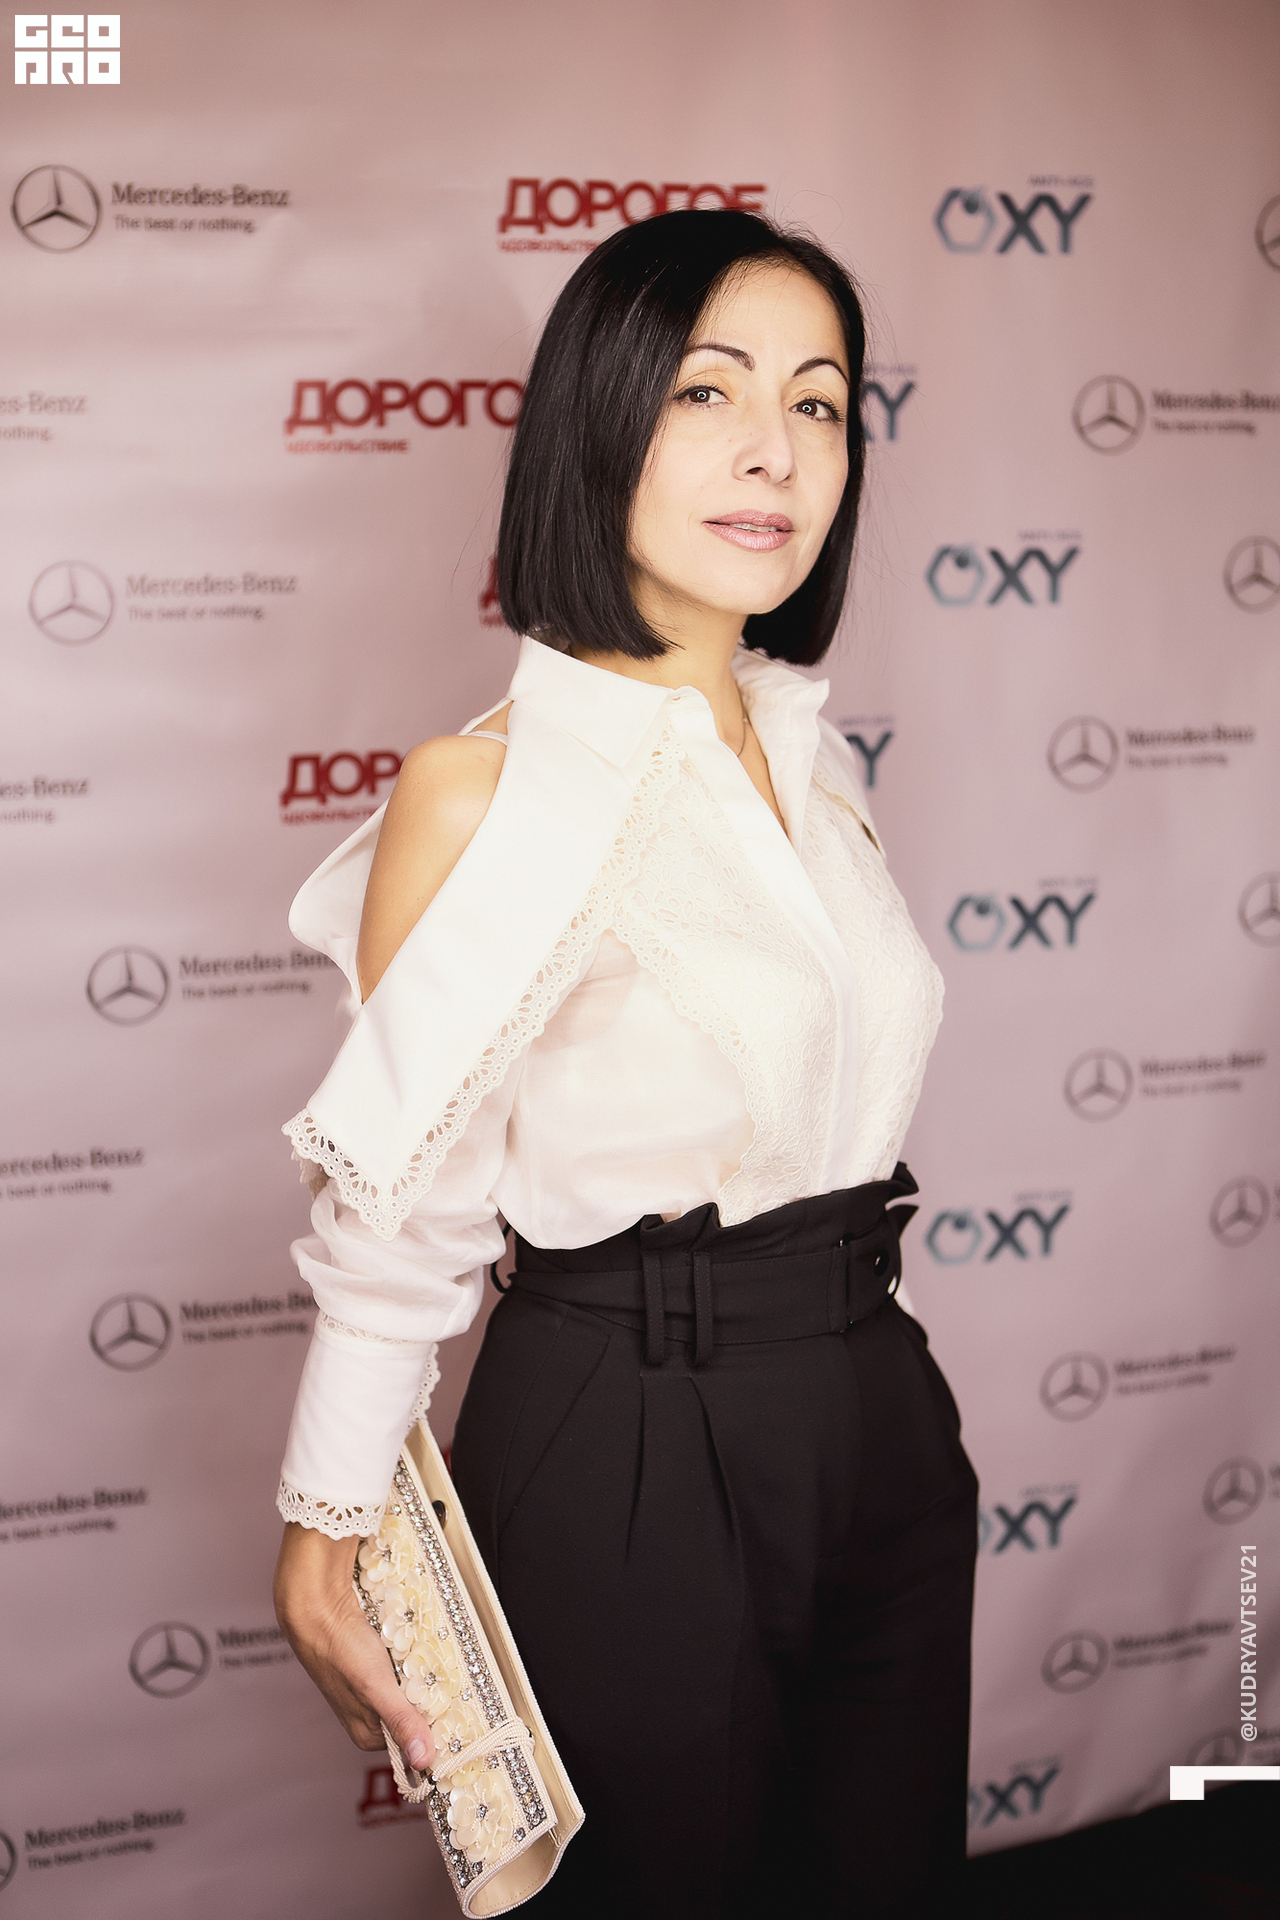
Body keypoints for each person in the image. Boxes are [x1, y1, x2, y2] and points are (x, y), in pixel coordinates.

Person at [273, 208, 978, 1918]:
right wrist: (327, 1522)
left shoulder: (814, 765)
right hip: (633, 1435)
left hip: (876, 1410)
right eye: (706, 391)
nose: (775, 450)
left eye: (819, 404)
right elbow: (407, 1210)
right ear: (601, 420)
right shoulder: (488, 787)